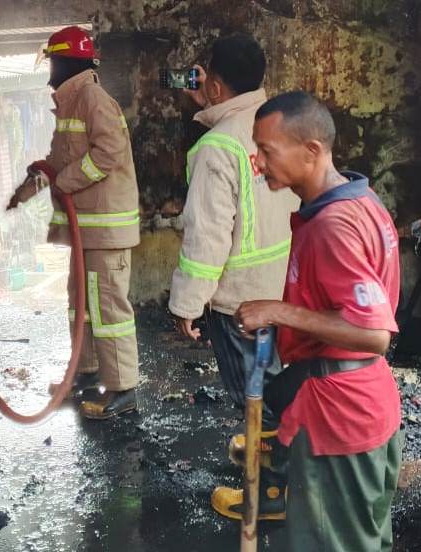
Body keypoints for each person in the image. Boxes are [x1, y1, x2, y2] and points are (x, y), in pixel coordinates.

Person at [236, 91, 403, 551]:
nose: (259, 162)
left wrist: (277, 311)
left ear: (311, 151)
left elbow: (374, 333)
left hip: (341, 417)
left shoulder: (333, 225)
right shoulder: (360, 200)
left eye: (267, 150)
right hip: (366, 403)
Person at [166, 34, 298, 518]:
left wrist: (186, 304)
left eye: (204, 77)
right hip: (284, 289)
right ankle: (275, 462)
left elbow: (207, 238)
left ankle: (267, 494)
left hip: (241, 301)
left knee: (254, 394)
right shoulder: (278, 124)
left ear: (215, 85)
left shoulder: (216, 145)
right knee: (277, 387)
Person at [10, 26, 141, 420]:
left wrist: (63, 184)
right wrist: (26, 191)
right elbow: (55, 162)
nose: (49, 69)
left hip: (104, 230)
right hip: (87, 230)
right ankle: (83, 374)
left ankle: (123, 389)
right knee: (80, 306)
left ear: (66, 61)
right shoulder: (71, 102)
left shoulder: (92, 98)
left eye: (52, 60)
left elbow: (109, 153)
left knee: (107, 310)